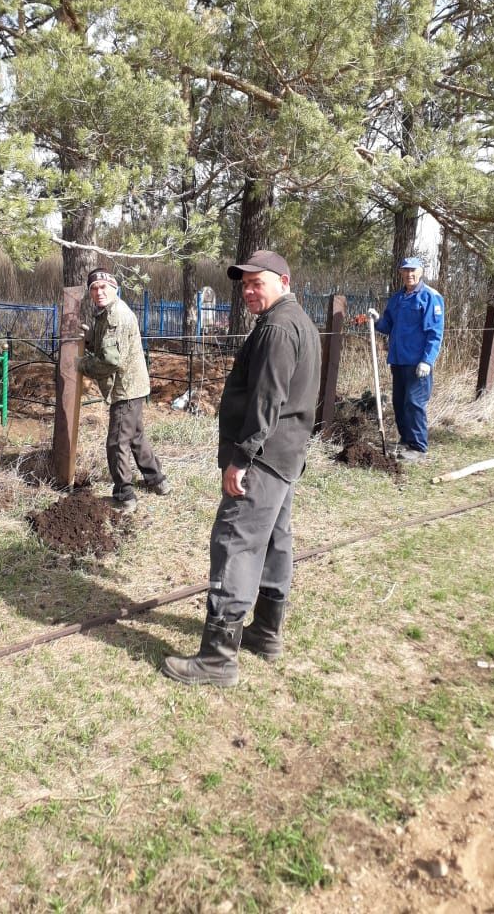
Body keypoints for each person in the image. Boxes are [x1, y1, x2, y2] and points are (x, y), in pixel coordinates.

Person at [162, 250, 321, 687]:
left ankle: (217, 658)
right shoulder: (300, 323)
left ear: (284, 282)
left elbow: (266, 401)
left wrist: (241, 459)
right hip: (286, 455)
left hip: (264, 459)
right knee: (274, 542)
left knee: (234, 542)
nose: (250, 291)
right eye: (245, 285)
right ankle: (267, 632)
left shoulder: (277, 329)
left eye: (258, 282)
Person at [78, 268, 170, 513]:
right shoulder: (107, 313)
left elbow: (111, 361)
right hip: (134, 385)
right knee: (135, 436)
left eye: (103, 287)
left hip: (126, 389)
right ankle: (156, 480)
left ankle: (124, 494)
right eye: (94, 289)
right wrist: (88, 338)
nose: (99, 292)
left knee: (117, 441)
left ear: (115, 288)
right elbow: (107, 344)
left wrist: (80, 365)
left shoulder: (115, 316)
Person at [368, 256, 445, 462]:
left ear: (420, 272)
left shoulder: (430, 297)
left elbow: (434, 333)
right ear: (401, 273)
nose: (409, 274)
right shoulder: (397, 298)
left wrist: (427, 361)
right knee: (399, 402)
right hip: (398, 360)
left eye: (413, 270)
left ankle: (418, 446)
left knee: (414, 403)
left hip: (417, 363)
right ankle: (405, 441)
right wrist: (376, 321)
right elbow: (388, 325)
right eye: (405, 270)